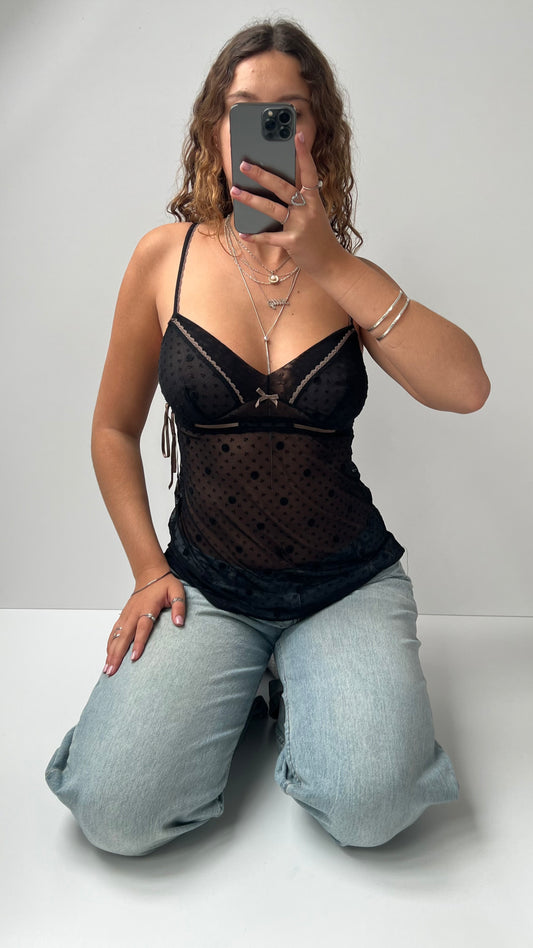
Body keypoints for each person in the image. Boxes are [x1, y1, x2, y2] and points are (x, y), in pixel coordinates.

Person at [45, 19, 490, 856]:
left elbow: (466, 388)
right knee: (115, 814)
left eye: (287, 113)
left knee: (372, 811)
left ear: (317, 133)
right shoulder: (164, 259)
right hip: (206, 584)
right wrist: (148, 571)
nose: (265, 129)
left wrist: (328, 260)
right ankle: (251, 687)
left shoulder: (347, 274)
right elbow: (111, 428)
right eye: (245, 110)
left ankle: (301, 689)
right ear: (215, 129)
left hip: (343, 583)